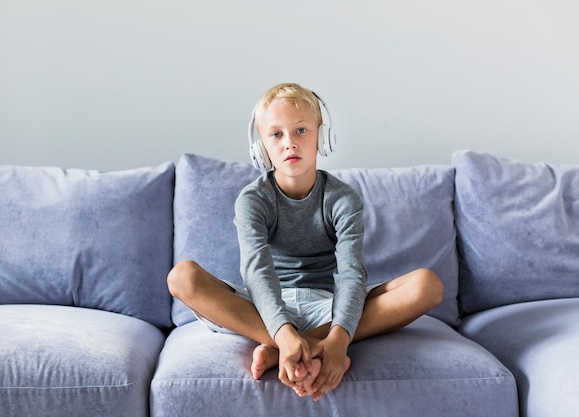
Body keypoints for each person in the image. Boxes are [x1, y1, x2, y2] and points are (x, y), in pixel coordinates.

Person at [167, 82, 444, 401]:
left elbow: (352, 274)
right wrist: (283, 333)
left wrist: (339, 340)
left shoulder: (342, 198)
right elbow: (257, 272)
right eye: (276, 135)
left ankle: (299, 346)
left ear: (322, 137)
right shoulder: (253, 200)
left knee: (427, 284)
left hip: (328, 304)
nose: (290, 144)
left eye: (301, 130)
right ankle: (289, 344)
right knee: (182, 276)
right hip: (263, 307)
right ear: (260, 147)